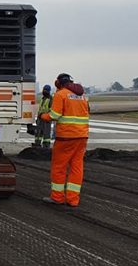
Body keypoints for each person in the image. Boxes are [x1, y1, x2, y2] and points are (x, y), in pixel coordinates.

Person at [40, 73, 89, 207]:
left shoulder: (61, 95)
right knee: (77, 167)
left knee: (59, 167)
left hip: (66, 137)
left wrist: (43, 116)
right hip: (82, 136)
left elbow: (54, 115)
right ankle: (73, 199)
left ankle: (57, 197)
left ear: (59, 84)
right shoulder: (81, 96)